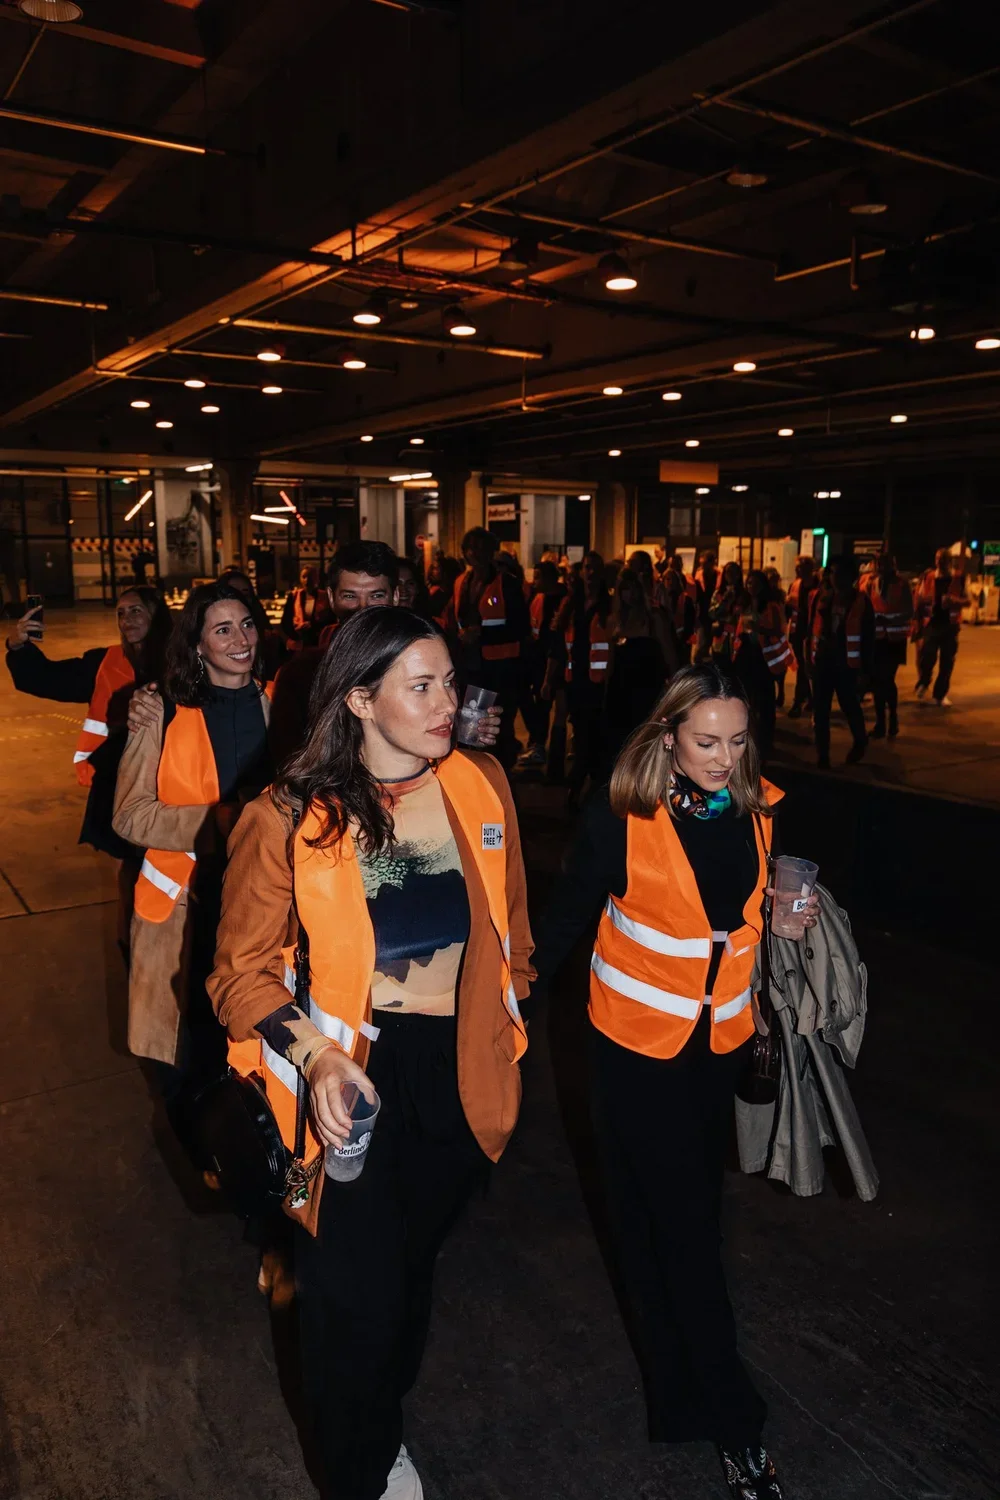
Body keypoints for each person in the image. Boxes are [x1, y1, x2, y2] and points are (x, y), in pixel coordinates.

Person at [207, 607, 533, 1500]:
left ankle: (381, 1424)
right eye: (419, 686)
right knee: (350, 1303)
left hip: (460, 1076)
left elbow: (515, 937)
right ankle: (356, 1469)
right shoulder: (283, 817)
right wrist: (314, 1057)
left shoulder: (482, 784)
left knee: (408, 1277)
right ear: (358, 699)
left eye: (449, 684)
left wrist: (508, 1029)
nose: (445, 704)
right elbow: (236, 978)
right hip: (346, 1082)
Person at [532, 664, 817, 1500]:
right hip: (631, 1055)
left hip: (715, 1054)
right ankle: (739, 1428)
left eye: (735, 740)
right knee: (686, 1234)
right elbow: (564, 922)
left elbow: (748, 923)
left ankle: (680, 1401)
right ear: (667, 738)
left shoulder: (758, 810)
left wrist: (787, 921)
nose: (724, 757)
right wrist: (499, 1005)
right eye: (705, 742)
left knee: (664, 1228)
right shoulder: (625, 816)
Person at [112, 582, 272, 1161]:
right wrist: (222, 820)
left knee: (251, 1042)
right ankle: (201, 1152)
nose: (241, 639)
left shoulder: (280, 704)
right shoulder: (163, 709)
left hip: (261, 907)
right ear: (198, 645)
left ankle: (247, 1161)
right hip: (186, 911)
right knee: (186, 1051)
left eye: (247, 624)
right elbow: (129, 815)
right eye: (223, 629)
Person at [5, 586, 172, 937]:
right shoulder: (105, 662)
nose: (127, 620)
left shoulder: (184, 663)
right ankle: (131, 941)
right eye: (121, 613)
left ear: (157, 614)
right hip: (120, 783)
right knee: (129, 869)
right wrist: (18, 647)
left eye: (136, 611)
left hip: (172, 786)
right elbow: (48, 679)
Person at [269, 542, 400, 767]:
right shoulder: (300, 674)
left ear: (395, 597)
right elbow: (287, 759)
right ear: (331, 598)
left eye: (376, 596)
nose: (363, 609)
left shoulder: (417, 665)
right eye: (350, 596)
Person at [451, 527, 530, 772]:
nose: (475, 553)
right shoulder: (461, 582)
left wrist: (482, 635)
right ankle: (475, 776)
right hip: (470, 668)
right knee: (470, 730)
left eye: (481, 547)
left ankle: (502, 779)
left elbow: (521, 627)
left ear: (491, 551)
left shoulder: (507, 584)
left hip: (501, 671)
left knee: (499, 730)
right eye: (470, 547)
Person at [546, 549, 612, 806]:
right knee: (583, 733)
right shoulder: (571, 604)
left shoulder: (607, 606)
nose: (590, 573)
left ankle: (580, 786)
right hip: (575, 681)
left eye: (595, 568)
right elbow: (559, 646)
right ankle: (586, 786)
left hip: (598, 683)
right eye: (587, 567)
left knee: (591, 735)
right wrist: (549, 679)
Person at [603, 565, 677, 775]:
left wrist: (675, 689)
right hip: (621, 691)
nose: (630, 593)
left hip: (647, 689)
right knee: (620, 742)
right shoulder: (615, 621)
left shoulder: (653, 618)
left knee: (647, 741)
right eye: (625, 588)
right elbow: (611, 659)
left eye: (634, 587)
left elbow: (669, 653)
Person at [808, 555, 873, 769]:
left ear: (851, 577)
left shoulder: (861, 601)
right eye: (833, 573)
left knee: (850, 706)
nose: (836, 578)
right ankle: (822, 755)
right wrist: (810, 659)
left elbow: (868, 637)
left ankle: (860, 741)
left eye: (840, 574)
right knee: (821, 709)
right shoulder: (821, 598)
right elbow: (811, 630)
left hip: (847, 664)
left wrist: (865, 670)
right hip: (823, 661)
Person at [732, 571, 790, 762]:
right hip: (746, 653)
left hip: (764, 657)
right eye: (749, 583)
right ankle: (748, 740)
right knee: (745, 699)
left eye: (755, 584)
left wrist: (760, 629)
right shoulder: (745, 605)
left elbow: (778, 629)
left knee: (765, 701)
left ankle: (766, 742)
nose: (751, 587)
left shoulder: (771, 606)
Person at [517, 559, 564, 768]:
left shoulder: (561, 600)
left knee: (546, 707)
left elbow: (553, 636)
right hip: (536, 660)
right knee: (535, 703)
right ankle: (536, 743)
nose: (534, 581)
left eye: (538, 577)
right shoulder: (537, 598)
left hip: (552, 661)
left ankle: (540, 747)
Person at [860, 552, 913, 738]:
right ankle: (881, 722)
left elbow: (909, 611)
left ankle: (892, 718)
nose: (882, 568)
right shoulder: (869, 584)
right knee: (876, 681)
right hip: (876, 639)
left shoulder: (902, 584)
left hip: (895, 639)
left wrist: (890, 620)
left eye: (886, 564)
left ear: (893, 565)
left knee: (887, 679)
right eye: (879, 564)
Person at [914, 548, 968, 707]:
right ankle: (924, 681)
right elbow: (919, 598)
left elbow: (969, 601)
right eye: (937, 559)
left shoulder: (958, 579)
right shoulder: (928, 577)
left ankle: (940, 694)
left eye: (943, 559)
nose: (939, 562)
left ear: (949, 561)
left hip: (950, 626)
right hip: (932, 623)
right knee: (926, 656)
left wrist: (954, 601)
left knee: (947, 662)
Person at [785, 556, 818, 719]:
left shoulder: (820, 585)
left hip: (814, 633)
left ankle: (802, 700)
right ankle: (804, 699)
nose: (797, 570)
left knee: (810, 668)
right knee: (802, 667)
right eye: (797, 567)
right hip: (798, 633)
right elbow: (789, 610)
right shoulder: (795, 585)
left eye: (801, 567)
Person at [280, 565, 335, 650]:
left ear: (316, 579)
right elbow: (285, 621)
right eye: (304, 577)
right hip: (296, 642)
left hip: (318, 642)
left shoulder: (325, 596)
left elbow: (331, 620)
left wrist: (312, 625)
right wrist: (294, 635)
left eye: (310, 577)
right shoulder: (294, 595)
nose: (307, 580)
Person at [709, 563, 744, 662]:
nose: (731, 576)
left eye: (734, 573)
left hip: (738, 641)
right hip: (721, 642)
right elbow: (711, 614)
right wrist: (724, 600)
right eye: (728, 572)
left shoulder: (744, 595)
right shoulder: (718, 594)